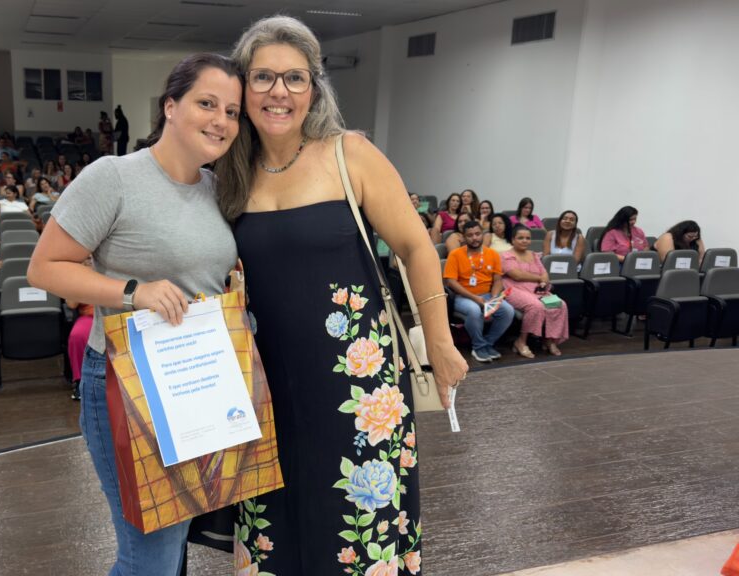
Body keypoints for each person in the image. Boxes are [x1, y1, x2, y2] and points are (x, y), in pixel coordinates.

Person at [216, 16, 467, 574]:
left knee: (359, 519)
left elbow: (416, 248)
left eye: (295, 78)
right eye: (263, 77)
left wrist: (439, 343)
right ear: (243, 85)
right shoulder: (229, 171)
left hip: (358, 382)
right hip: (265, 385)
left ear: (314, 87)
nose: (279, 92)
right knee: (276, 524)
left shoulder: (347, 153)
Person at [27, 53, 244, 576]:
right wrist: (132, 291)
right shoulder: (114, 177)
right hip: (128, 385)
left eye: (233, 112)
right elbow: (44, 268)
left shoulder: (218, 189)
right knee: (150, 558)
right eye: (207, 103)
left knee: (177, 544)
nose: (220, 120)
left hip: (198, 383)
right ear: (170, 106)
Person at [445, 220, 515, 363]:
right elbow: (451, 282)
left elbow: (497, 280)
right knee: (474, 310)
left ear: (483, 234)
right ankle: (478, 347)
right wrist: (474, 298)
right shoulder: (455, 254)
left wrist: (494, 297)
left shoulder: (492, 254)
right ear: (464, 237)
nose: (474, 238)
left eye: (477, 234)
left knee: (508, 311)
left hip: (487, 295)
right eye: (470, 235)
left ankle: (487, 344)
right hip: (463, 296)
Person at [502, 225, 568, 357]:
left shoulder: (533, 254)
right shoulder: (506, 256)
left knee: (560, 304)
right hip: (515, 289)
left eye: (527, 238)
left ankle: (549, 339)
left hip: (536, 290)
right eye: (520, 238)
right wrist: (539, 278)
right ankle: (521, 341)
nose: (524, 241)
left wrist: (544, 280)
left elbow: (544, 273)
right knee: (536, 306)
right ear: (513, 239)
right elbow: (517, 275)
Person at [65, 257, 96, 401]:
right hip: (89, 316)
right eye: (87, 258)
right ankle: (79, 381)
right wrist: (82, 275)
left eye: (92, 257)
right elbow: (71, 304)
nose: (90, 260)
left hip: (113, 313)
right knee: (77, 336)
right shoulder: (77, 273)